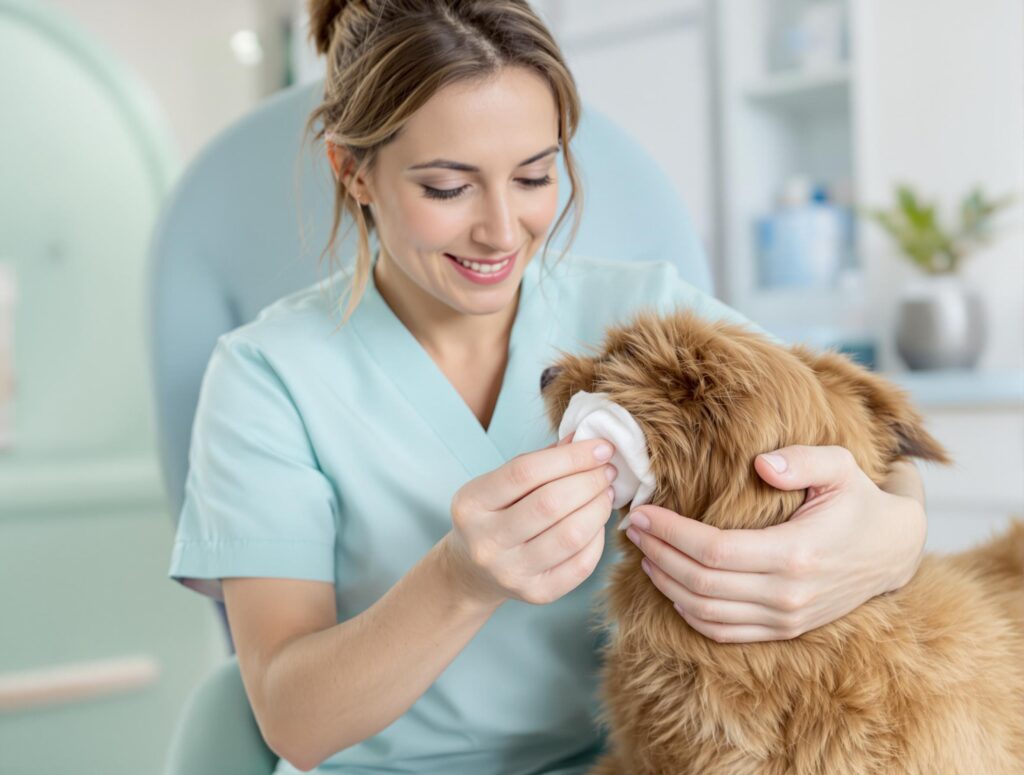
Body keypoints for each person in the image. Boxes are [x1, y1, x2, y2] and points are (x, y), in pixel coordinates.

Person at [168, 1, 929, 773]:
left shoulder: (655, 316)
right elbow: (293, 719)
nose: (503, 230)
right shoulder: (268, 376)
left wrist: (894, 535)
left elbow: (872, 444)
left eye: (535, 174)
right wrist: (461, 580)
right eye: (446, 188)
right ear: (352, 171)